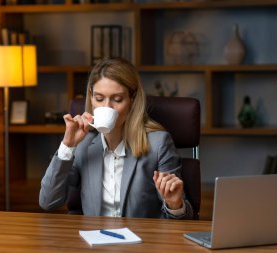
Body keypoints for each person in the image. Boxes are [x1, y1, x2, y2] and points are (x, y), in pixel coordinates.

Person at [39, 58, 193, 219]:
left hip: (142, 240)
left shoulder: (158, 144)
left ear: (132, 100)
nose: (107, 107)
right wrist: (67, 145)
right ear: (91, 98)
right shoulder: (82, 146)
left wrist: (175, 205)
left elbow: (182, 221)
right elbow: (48, 202)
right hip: (94, 239)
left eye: (117, 99)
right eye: (99, 98)